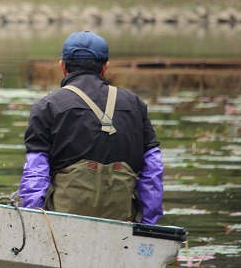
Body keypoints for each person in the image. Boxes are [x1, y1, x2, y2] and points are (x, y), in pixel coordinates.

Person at [16, 31, 164, 223]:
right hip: (122, 219)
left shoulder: (47, 106)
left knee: (15, 200)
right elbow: (153, 170)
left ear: (62, 66)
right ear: (105, 67)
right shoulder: (135, 105)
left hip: (62, 220)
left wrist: (33, 222)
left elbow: (36, 172)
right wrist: (147, 224)